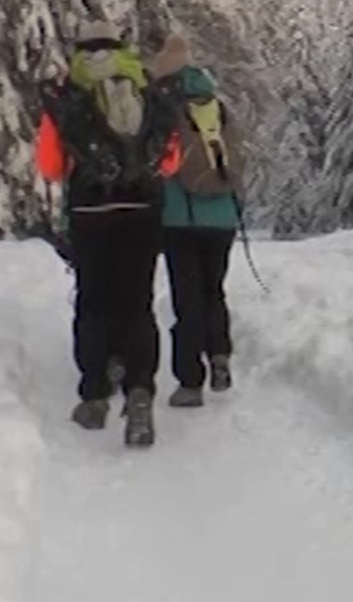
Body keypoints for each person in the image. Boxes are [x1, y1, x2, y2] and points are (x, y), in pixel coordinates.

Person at [35, 22, 182, 447]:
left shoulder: (67, 95)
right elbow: (170, 161)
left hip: (90, 209)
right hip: (143, 208)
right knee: (137, 302)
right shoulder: (145, 87)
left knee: (93, 300)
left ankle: (95, 394)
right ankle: (140, 390)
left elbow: (48, 165)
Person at [149, 34, 246, 408]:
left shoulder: (164, 110)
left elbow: (156, 163)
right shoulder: (217, 107)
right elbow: (238, 156)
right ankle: (219, 353)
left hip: (179, 219)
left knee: (187, 299)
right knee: (213, 292)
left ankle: (190, 381)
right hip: (221, 218)